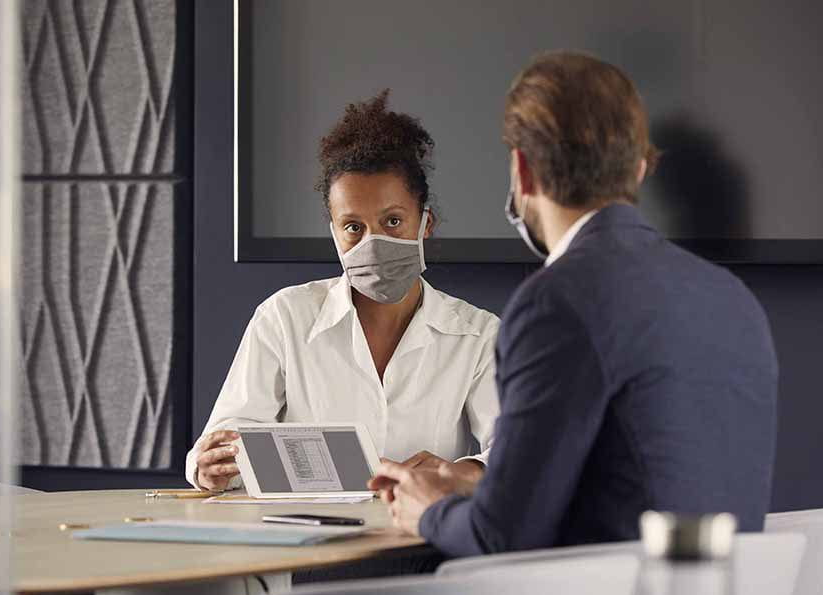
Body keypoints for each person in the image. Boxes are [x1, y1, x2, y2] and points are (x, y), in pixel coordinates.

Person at [371, 52, 779, 557]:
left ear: (522, 170)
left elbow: (500, 537)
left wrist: (427, 510)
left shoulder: (554, 302)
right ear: (638, 167)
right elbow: (627, 483)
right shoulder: (732, 298)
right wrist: (479, 488)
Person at [187, 91, 498, 498]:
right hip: (308, 545)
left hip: (420, 543)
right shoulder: (284, 317)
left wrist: (464, 471)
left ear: (426, 224)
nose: (373, 243)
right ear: (334, 231)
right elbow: (226, 446)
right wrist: (208, 467)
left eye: (393, 221)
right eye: (353, 227)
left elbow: (521, 454)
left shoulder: (478, 335)